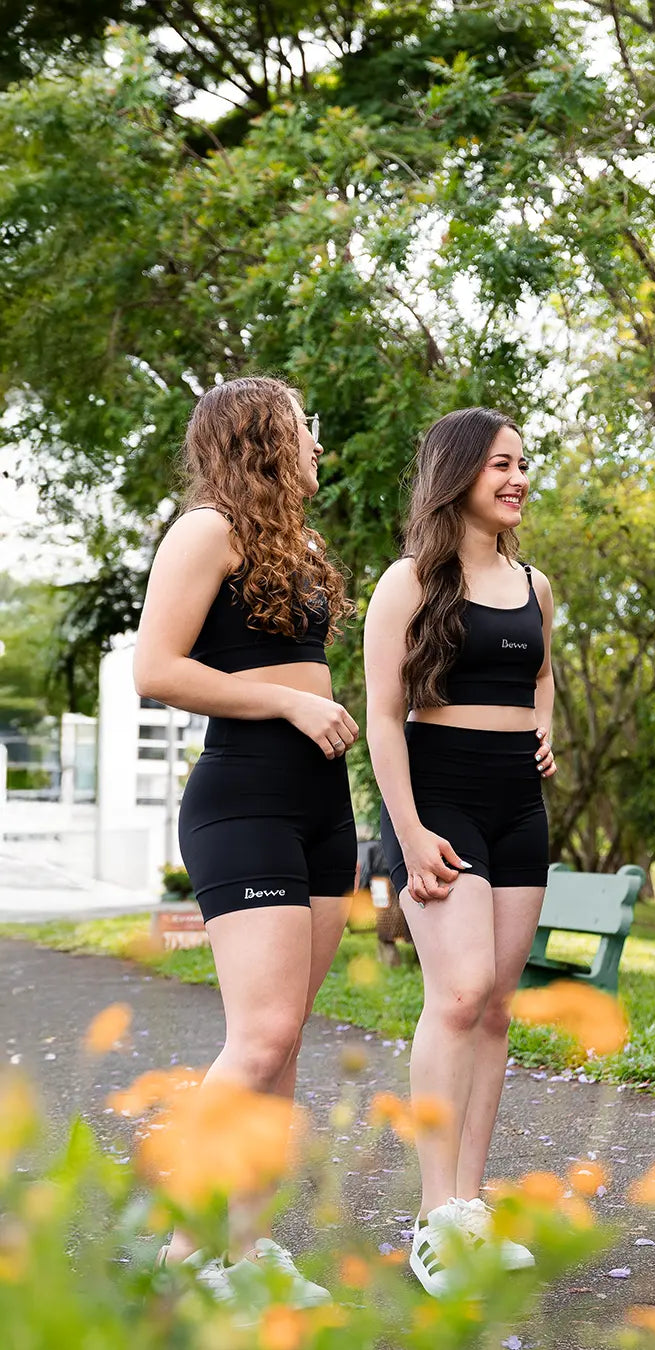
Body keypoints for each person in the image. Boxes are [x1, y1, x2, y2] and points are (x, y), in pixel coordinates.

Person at [134, 376, 358, 1306]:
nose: (315, 436)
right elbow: (156, 669)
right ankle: (182, 1253)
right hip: (243, 797)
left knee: (285, 1040)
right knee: (260, 1034)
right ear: (262, 436)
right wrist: (288, 700)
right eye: (302, 422)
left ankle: (246, 1247)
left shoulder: (294, 542)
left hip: (321, 804)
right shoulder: (206, 530)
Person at [364, 407, 556, 1296]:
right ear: (457, 477)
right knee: (459, 993)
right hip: (439, 800)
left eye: (522, 463)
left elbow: (541, 673)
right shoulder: (408, 582)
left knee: (497, 1007)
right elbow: (381, 715)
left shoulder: (535, 586)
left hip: (520, 803)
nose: (516, 479)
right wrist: (407, 832)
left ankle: (472, 1206)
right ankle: (434, 1217)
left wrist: (545, 728)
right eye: (499, 466)